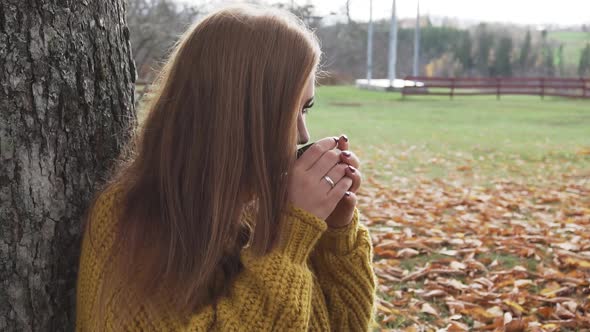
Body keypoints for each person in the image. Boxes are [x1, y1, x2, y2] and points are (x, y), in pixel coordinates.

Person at [76, 4, 376, 331]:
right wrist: (288, 243)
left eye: (307, 109)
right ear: (238, 117)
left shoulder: (269, 206)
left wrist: (337, 233)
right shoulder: (128, 223)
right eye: (288, 114)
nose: (304, 135)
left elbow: (348, 325)